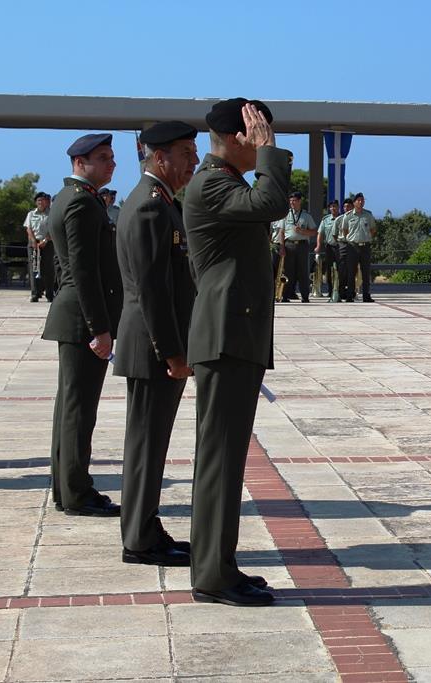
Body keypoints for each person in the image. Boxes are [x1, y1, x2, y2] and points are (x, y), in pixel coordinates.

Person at [183, 98, 291, 606]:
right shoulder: (212, 183)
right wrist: (270, 153)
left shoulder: (226, 181)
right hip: (226, 337)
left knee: (225, 461)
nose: (264, 139)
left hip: (235, 335)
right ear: (238, 136)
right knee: (219, 460)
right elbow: (271, 205)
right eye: (259, 131)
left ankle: (221, 565)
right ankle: (211, 575)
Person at [113, 120, 199, 567]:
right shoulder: (149, 207)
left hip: (154, 346)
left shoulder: (162, 203)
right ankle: (140, 539)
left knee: (150, 443)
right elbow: (152, 290)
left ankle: (145, 528)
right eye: (186, 153)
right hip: (153, 349)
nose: (195, 161)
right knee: (147, 444)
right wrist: (172, 352)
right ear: (159, 156)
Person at [42, 133, 122, 516]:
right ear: (80, 162)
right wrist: (99, 327)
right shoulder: (80, 203)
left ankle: (67, 487)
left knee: (71, 407)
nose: (111, 163)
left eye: (111, 156)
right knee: (78, 410)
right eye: (103, 157)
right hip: (81, 318)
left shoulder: (73, 199)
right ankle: (76, 492)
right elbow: (82, 271)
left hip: (75, 314)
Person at [272, 191, 317, 303]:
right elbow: (281, 232)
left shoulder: (306, 216)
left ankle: (305, 296)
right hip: (289, 245)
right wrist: (282, 247)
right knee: (288, 272)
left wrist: (302, 231)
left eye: (294, 200)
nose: (292, 203)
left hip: (302, 245)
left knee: (303, 271)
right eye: (291, 201)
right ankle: (285, 295)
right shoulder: (286, 214)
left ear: (299, 201)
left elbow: (314, 232)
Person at [339, 192, 377, 302]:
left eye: (362, 200)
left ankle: (366, 295)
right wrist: (352, 239)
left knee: (366, 272)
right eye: (358, 200)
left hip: (365, 246)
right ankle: (350, 295)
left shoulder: (368, 215)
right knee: (351, 272)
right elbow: (345, 230)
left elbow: (373, 230)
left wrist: (366, 237)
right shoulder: (348, 216)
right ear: (354, 202)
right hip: (352, 246)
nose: (361, 202)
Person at [24, 191, 54, 302]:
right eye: (39, 200)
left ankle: (50, 294)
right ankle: (35, 293)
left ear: (47, 202)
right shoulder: (31, 214)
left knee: (48, 269)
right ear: (36, 202)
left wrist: (45, 240)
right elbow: (28, 228)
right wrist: (33, 241)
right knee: (34, 269)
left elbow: (53, 229)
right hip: (34, 244)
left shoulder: (51, 213)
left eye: (43, 200)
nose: (41, 202)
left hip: (48, 243)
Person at [315, 199, 340, 299]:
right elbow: (320, 234)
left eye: (335, 206)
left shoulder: (343, 218)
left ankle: (340, 290)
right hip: (329, 247)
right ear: (329, 208)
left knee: (340, 269)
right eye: (331, 207)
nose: (333, 208)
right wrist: (318, 246)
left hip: (340, 247)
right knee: (329, 270)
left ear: (338, 207)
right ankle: (331, 291)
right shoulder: (325, 220)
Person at [334, 197, 355, 301]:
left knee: (352, 270)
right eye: (345, 206)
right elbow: (334, 234)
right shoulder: (339, 219)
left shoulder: (356, 217)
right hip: (342, 244)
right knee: (342, 269)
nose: (347, 208)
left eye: (349, 206)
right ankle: (341, 292)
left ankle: (351, 293)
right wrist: (341, 242)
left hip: (353, 245)